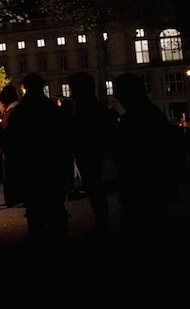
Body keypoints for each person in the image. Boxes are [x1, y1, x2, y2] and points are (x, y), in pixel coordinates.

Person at [0, 73, 71, 249]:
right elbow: (64, 139)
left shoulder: (20, 112)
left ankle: (38, 243)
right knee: (55, 207)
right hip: (52, 166)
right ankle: (59, 243)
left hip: (30, 168)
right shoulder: (53, 109)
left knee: (34, 209)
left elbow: (11, 142)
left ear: (25, 88)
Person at [111, 72, 180, 245]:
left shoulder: (135, 118)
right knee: (156, 225)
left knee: (137, 226)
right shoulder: (151, 114)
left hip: (140, 183)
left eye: (118, 91)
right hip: (151, 183)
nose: (116, 96)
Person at [64, 71, 113, 237]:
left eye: (72, 88)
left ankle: (103, 226)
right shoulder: (90, 104)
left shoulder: (85, 107)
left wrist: (67, 117)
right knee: (94, 189)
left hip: (88, 152)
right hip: (90, 151)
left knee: (94, 189)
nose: (71, 92)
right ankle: (102, 224)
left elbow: (78, 130)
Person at [0, 84, 22, 207]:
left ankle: (15, 198)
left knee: (13, 174)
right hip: (11, 150)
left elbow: (10, 134)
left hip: (13, 151)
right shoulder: (12, 111)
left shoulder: (13, 112)